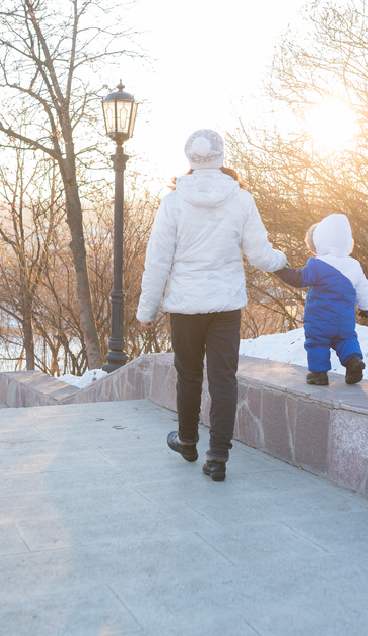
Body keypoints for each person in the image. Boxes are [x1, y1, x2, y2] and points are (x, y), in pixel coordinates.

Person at [136, 129, 287, 481]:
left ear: (189, 158)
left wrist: (147, 311)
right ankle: (217, 456)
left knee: (188, 375)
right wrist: (284, 259)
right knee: (223, 379)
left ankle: (187, 441)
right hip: (225, 306)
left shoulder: (172, 202)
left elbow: (157, 260)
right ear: (221, 156)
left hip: (186, 308)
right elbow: (261, 256)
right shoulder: (241, 199)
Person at [274, 213, 368, 386]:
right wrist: (365, 308)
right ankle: (353, 362)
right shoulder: (354, 265)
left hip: (320, 319)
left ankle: (318, 374)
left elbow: (298, 279)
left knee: (317, 341)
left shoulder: (317, 265)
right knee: (347, 339)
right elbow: (363, 289)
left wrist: (280, 269)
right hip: (345, 320)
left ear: (320, 240)